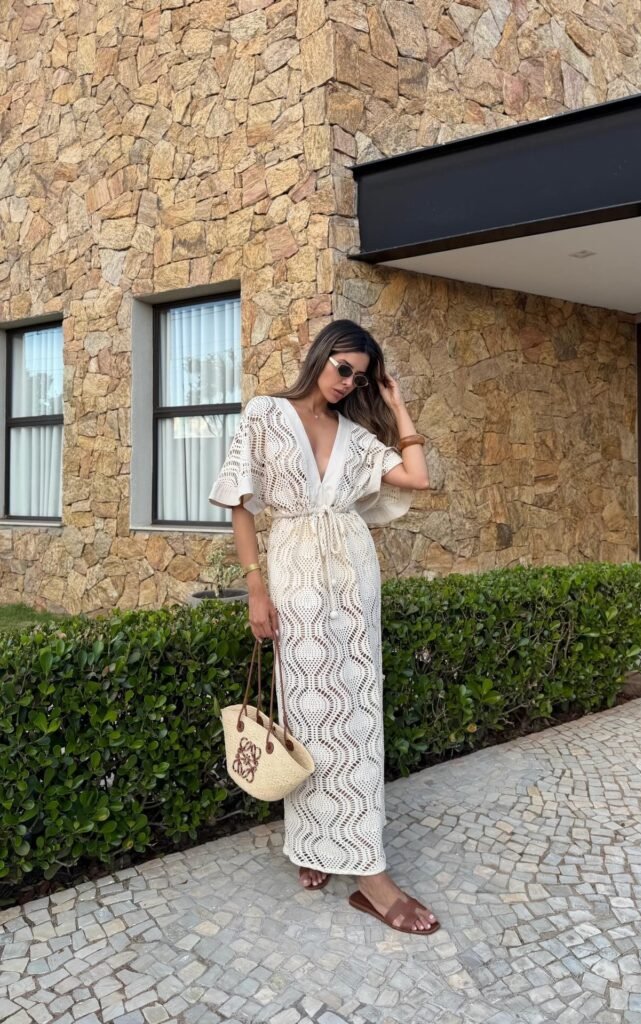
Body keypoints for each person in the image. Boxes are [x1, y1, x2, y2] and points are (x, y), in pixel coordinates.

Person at [208, 319, 440, 935]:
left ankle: (368, 873)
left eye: (359, 378)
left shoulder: (356, 437)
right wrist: (255, 586)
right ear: (320, 356)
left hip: (354, 580)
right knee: (307, 714)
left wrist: (396, 402)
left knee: (357, 716)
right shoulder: (265, 413)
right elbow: (239, 503)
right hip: (295, 579)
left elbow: (417, 478)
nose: (347, 383)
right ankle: (314, 843)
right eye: (343, 369)